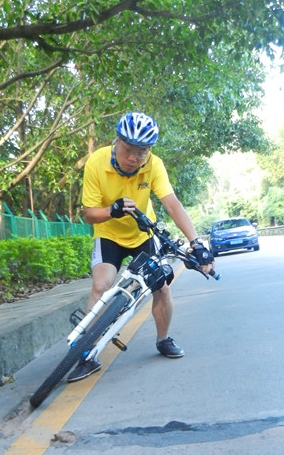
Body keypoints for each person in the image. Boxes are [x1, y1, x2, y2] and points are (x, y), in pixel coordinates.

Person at [68, 111, 214, 382]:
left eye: (142, 152)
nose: (134, 158)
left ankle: (163, 339)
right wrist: (112, 210)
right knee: (101, 286)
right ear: (117, 142)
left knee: (162, 286)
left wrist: (197, 243)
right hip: (108, 232)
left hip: (143, 232)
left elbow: (172, 204)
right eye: (129, 150)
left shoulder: (154, 165)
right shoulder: (97, 162)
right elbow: (89, 213)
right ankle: (87, 353)